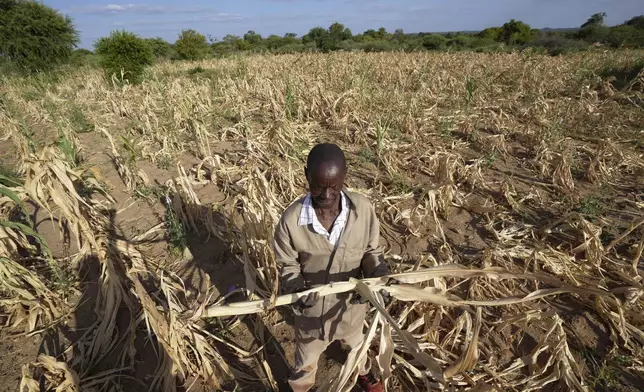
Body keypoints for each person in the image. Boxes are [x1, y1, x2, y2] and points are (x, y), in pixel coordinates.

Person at [273, 143, 388, 392]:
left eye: (334, 186)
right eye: (318, 186)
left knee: (357, 347)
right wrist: (296, 289)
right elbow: (288, 264)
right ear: (306, 175)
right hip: (311, 317)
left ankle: (364, 373)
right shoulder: (291, 221)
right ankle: (301, 387)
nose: (326, 194)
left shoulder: (363, 210)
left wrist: (377, 276)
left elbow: (371, 252)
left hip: (351, 311)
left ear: (344, 177)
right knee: (305, 363)